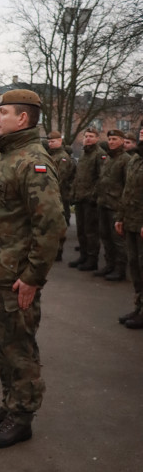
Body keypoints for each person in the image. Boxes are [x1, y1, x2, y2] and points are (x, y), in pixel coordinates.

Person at [0, 89, 66, 448]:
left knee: (19, 348)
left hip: (13, 278)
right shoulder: (7, 156)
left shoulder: (33, 162)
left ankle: (22, 416)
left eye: (3, 112)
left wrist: (32, 277)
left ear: (22, 118)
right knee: (2, 344)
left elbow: (51, 225)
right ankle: (11, 403)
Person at [115, 123, 143, 328]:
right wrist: (120, 217)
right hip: (131, 221)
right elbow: (127, 191)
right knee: (135, 265)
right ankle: (139, 307)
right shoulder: (135, 159)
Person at [69, 127, 105, 271]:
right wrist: (73, 193)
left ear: (97, 138)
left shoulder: (99, 154)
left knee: (91, 232)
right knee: (81, 230)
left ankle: (92, 259)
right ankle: (83, 256)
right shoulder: (84, 153)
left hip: (90, 200)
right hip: (80, 198)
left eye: (91, 136)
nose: (88, 138)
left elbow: (101, 178)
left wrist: (93, 196)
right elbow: (78, 176)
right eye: (86, 136)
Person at [95, 129, 130, 281]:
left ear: (122, 141)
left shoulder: (126, 160)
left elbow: (127, 186)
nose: (111, 142)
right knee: (105, 237)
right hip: (104, 203)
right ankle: (109, 265)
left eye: (115, 139)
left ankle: (120, 269)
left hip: (116, 206)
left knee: (118, 240)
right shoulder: (108, 158)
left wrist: (122, 210)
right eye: (110, 139)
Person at [46, 130, 76, 260]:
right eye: (49, 141)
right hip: (51, 195)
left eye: (53, 141)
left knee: (58, 224)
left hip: (59, 195)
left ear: (60, 141)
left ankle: (58, 251)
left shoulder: (63, 157)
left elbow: (60, 178)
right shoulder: (51, 155)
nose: (50, 144)